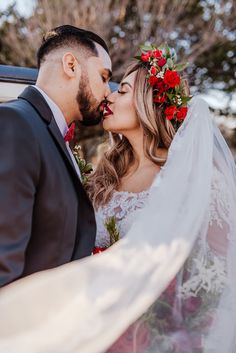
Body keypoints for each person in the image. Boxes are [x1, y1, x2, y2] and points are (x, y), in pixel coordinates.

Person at [0, 44, 235, 353]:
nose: (108, 96)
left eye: (122, 90)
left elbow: (215, 279)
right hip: (90, 334)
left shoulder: (197, 179)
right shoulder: (102, 179)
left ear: (147, 103)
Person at [0, 25, 112, 287]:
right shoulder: (15, 123)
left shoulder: (49, 134)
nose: (108, 92)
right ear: (71, 65)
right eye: (104, 77)